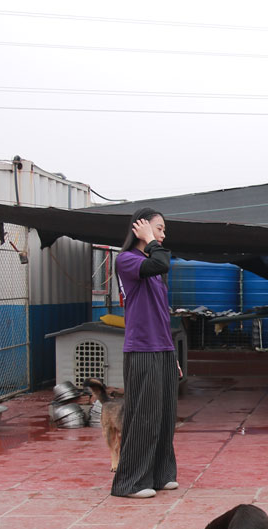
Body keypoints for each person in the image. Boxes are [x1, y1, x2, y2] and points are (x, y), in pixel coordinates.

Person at [111, 208, 182, 499]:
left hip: (162, 348)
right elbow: (161, 263)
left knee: (165, 415)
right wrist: (152, 242)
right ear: (140, 228)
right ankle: (131, 483)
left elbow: (160, 314)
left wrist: (172, 354)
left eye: (164, 231)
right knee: (145, 416)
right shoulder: (127, 260)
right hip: (142, 349)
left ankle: (160, 474)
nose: (163, 235)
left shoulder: (153, 265)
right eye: (159, 228)